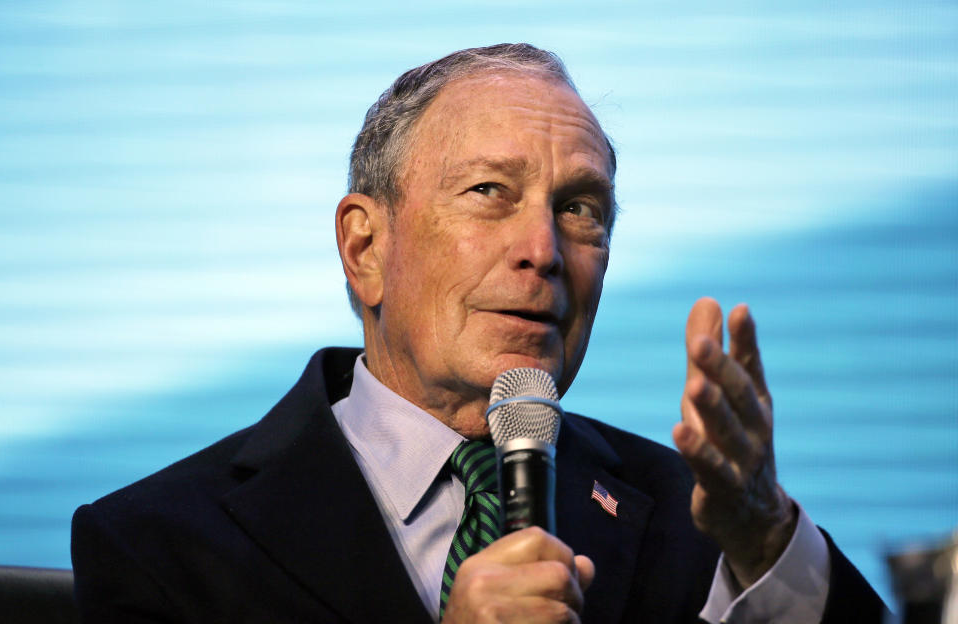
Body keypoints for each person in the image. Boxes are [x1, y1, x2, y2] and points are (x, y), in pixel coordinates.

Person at [71, 43, 885, 623]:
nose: (544, 251)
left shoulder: (700, 522)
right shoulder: (163, 542)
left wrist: (768, 533)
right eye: (490, 191)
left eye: (580, 210)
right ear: (365, 249)